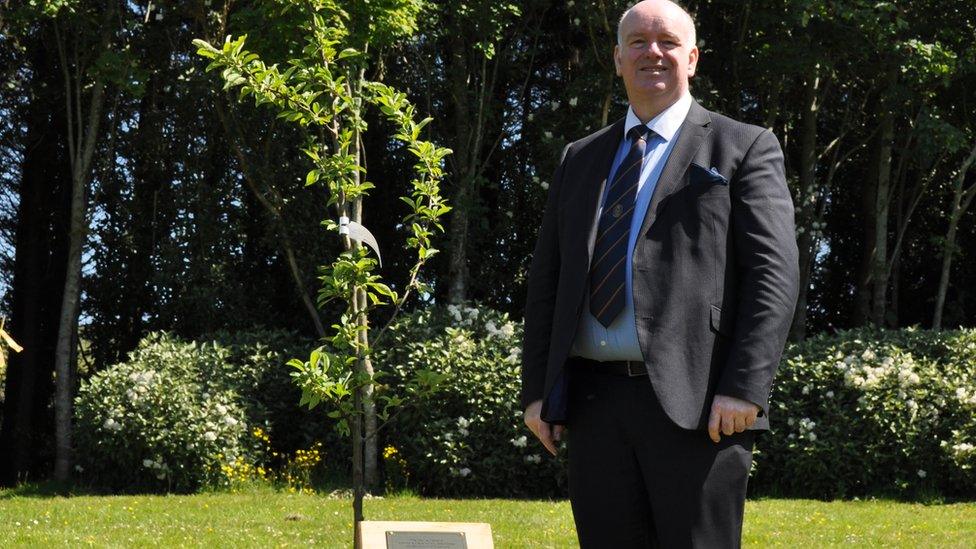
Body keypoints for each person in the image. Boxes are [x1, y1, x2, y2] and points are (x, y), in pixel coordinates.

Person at [520, 1, 800, 547]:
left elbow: (774, 276)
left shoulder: (743, 146)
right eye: (639, 43)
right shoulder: (580, 158)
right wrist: (537, 391)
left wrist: (744, 387)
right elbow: (548, 282)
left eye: (668, 42)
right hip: (594, 406)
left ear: (692, 58)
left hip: (700, 408)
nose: (653, 52)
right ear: (617, 59)